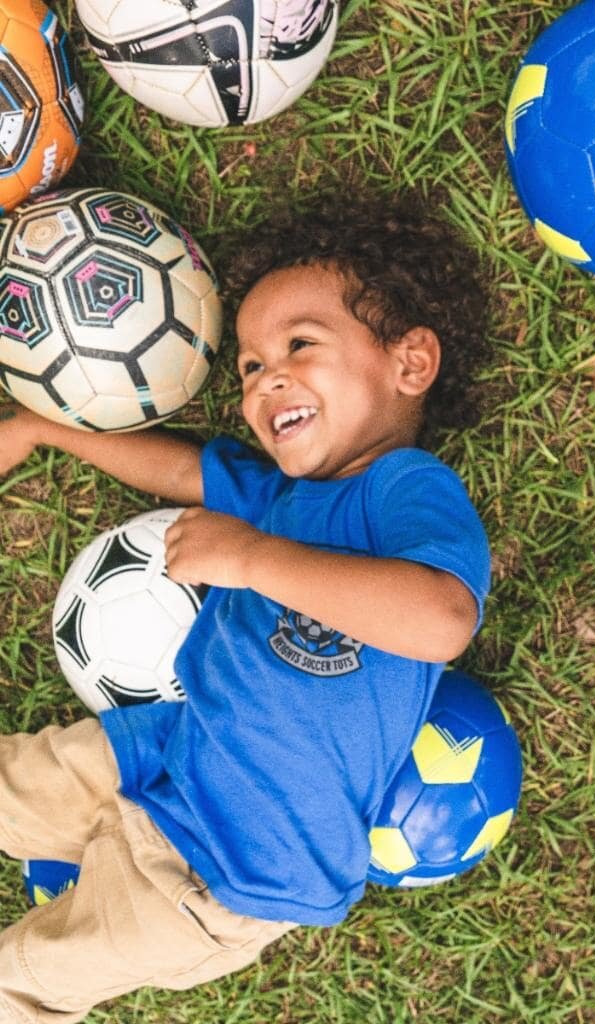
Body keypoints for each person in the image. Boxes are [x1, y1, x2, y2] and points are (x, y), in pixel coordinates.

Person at [0, 192, 491, 1021]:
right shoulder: (274, 493)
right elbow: (174, 470)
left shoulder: (405, 489)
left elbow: (442, 618)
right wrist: (46, 428)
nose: (269, 382)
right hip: (153, 755)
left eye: (300, 346)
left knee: (27, 974)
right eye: (252, 369)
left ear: (410, 364)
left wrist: (256, 559)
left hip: (231, 867)